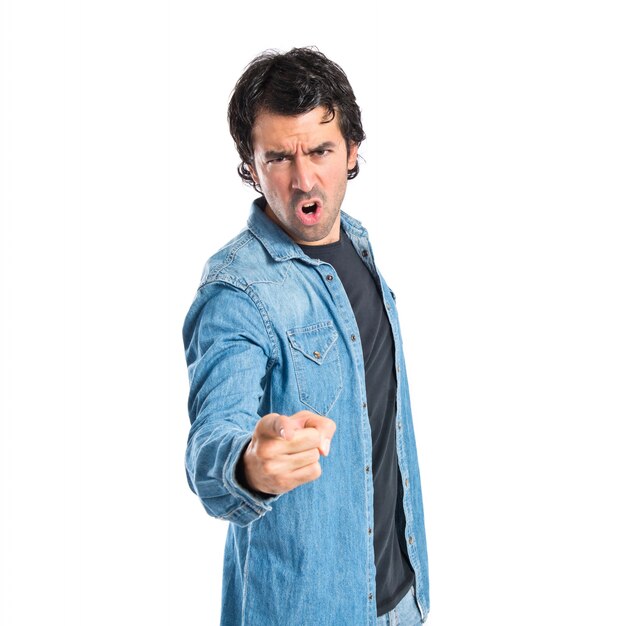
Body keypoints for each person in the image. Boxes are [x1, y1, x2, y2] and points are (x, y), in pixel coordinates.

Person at [183, 47, 429, 625]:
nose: (302, 178)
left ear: (352, 152)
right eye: (278, 158)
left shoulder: (358, 244)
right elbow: (211, 440)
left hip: (399, 603)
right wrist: (248, 465)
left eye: (320, 150)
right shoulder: (237, 290)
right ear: (250, 164)